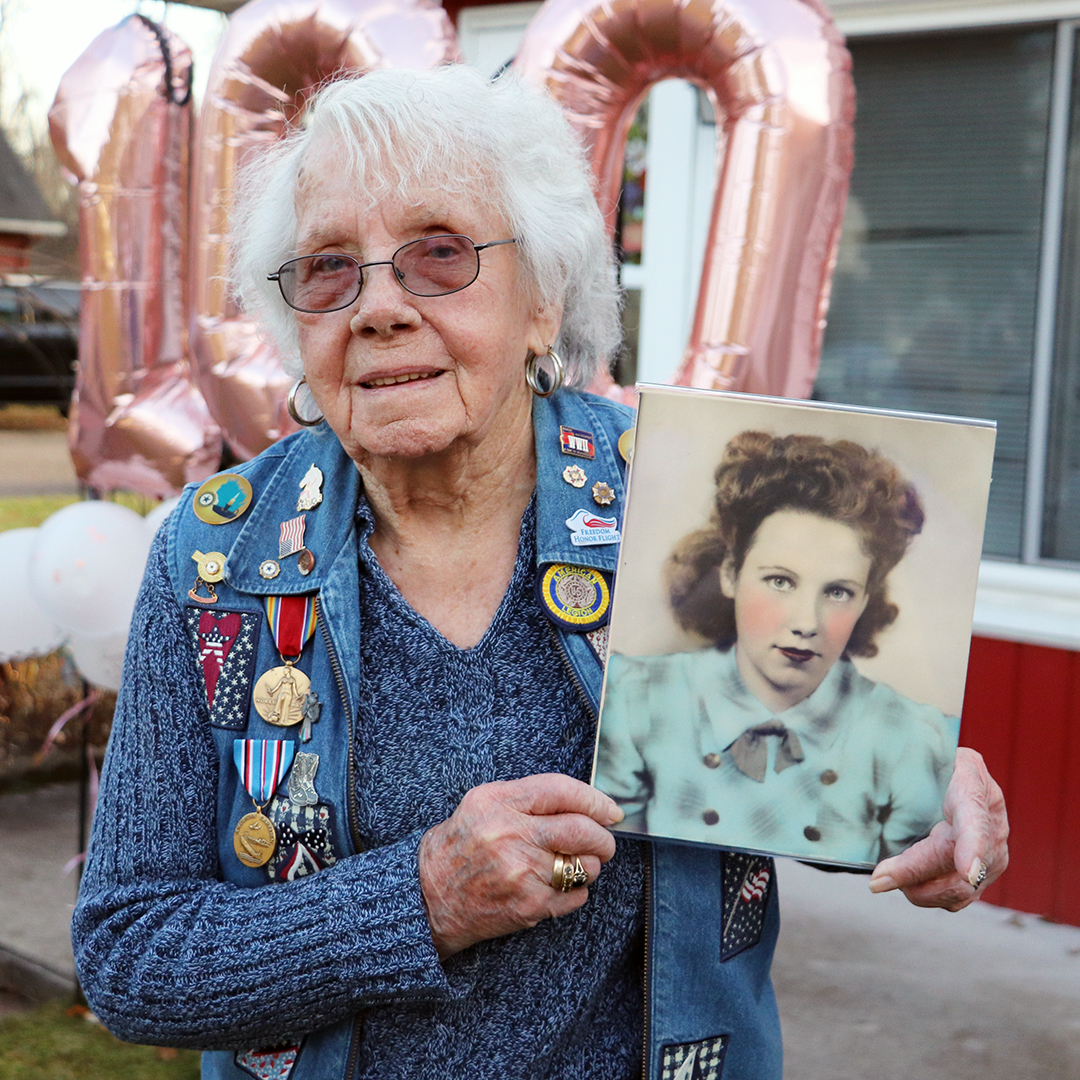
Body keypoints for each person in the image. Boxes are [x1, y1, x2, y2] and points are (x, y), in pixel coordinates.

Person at [71, 66, 1008, 1080]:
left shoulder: (676, 498)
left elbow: (800, 748)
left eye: (439, 254)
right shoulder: (220, 557)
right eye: (330, 268)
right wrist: (422, 898)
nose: (378, 306)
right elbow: (130, 955)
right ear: (298, 324)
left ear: (543, 301)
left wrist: (912, 783)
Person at [595, 430, 961, 865]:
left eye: (839, 592)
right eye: (780, 581)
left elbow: (921, 875)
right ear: (730, 573)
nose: (806, 623)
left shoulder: (914, 740)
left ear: (866, 599)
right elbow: (614, 859)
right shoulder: (637, 698)